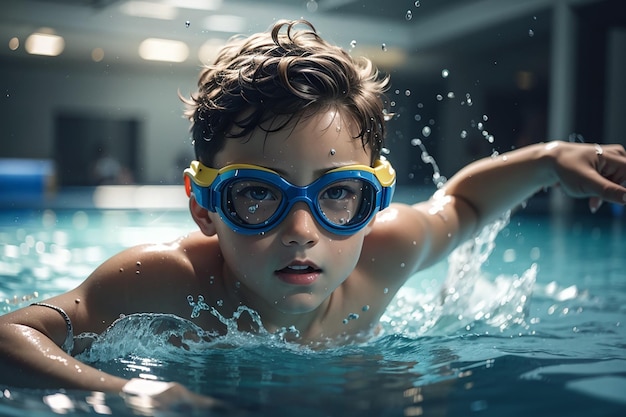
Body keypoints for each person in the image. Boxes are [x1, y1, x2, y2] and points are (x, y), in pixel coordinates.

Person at [1, 19, 625, 411]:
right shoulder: (161, 285)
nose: (302, 231)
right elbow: (11, 336)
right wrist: (129, 391)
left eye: (336, 194)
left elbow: (460, 205)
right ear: (204, 206)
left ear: (372, 199)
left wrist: (548, 160)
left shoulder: (387, 250)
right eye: (258, 194)